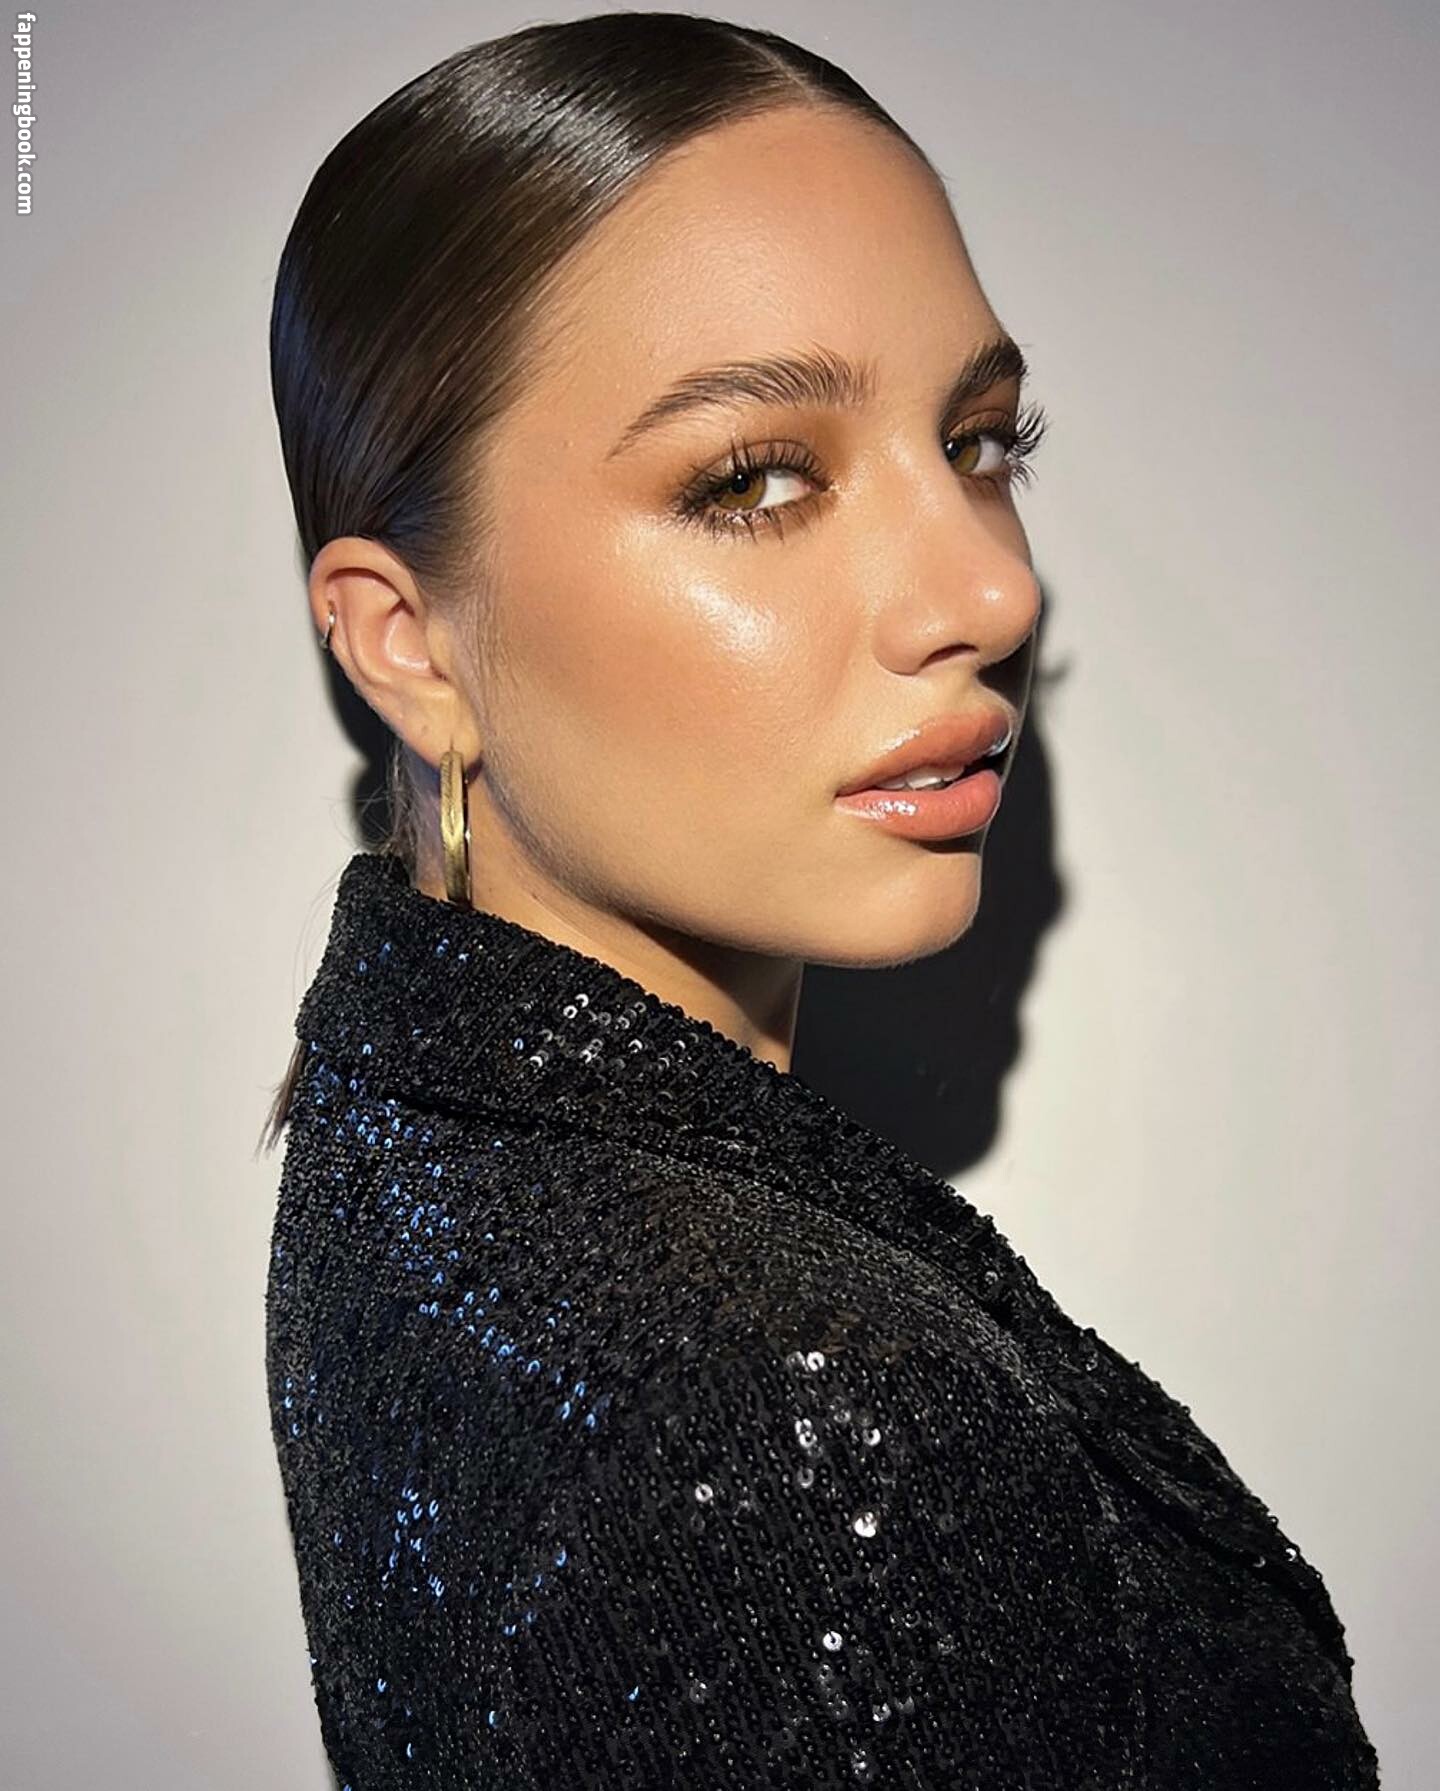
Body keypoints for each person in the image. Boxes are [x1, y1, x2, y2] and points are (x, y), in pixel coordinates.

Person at [260, 13, 1380, 1786]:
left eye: (981, 443)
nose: (990, 595)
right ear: (410, 645)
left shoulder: (404, 1139)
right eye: (754, 479)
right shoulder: (804, 1422)